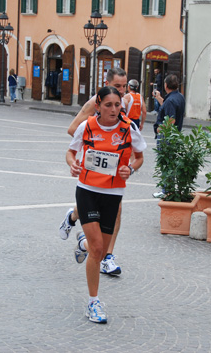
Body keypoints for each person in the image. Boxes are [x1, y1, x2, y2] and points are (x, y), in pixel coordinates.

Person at [66, 86, 146, 324]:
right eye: (108, 105)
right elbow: (71, 152)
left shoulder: (129, 129)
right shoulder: (87, 126)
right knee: (99, 248)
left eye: (117, 104)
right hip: (88, 190)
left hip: (113, 194)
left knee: (97, 250)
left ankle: (82, 243)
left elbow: (140, 157)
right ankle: (93, 302)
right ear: (98, 105)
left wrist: (130, 168)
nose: (114, 109)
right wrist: (72, 164)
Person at [61, 67, 130, 276]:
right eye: (117, 86)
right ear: (107, 83)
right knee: (90, 204)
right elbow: (73, 128)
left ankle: (107, 255)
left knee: (115, 209)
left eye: (124, 86)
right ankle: (73, 219)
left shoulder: (123, 102)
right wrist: (97, 142)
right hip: (94, 163)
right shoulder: (95, 102)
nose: (121, 90)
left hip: (115, 168)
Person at [152, 74, 186, 198]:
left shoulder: (171, 100)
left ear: (166, 85)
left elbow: (170, 120)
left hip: (167, 137)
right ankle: (168, 189)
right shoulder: (178, 97)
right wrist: (160, 99)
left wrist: (160, 129)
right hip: (174, 135)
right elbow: (168, 107)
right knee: (170, 163)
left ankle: (166, 190)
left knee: (165, 163)